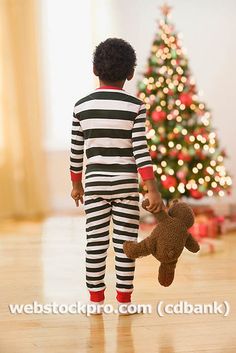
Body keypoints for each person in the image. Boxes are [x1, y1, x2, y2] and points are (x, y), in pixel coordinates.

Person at [70, 38, 164, 312]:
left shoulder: (81, 106)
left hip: (95, 186)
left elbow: (77, 152)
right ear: (130, 73)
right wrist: (152, 188)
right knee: (127, 244)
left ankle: (96, 301)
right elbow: (140, 151)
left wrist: (76, 185)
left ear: (94, 70)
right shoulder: (135, 106)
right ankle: (124, 301)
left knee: (95, 244)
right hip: (125, 187)